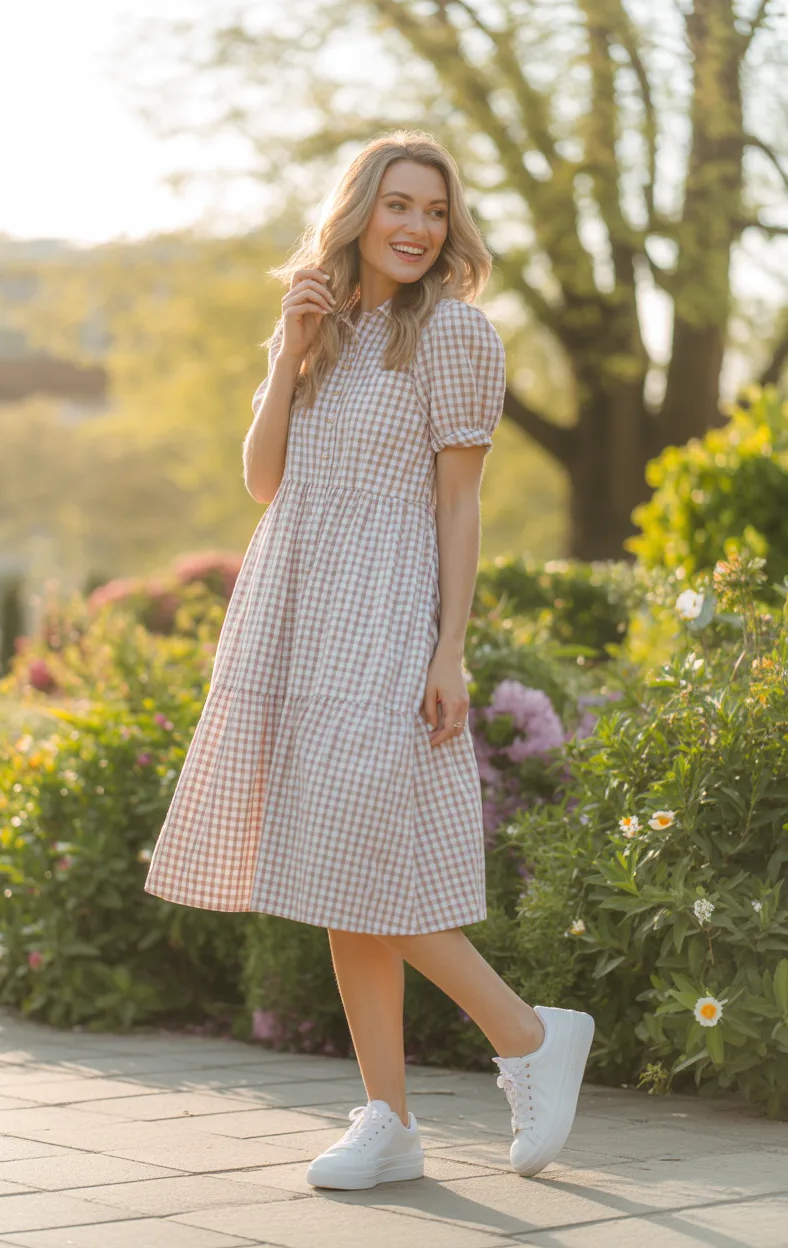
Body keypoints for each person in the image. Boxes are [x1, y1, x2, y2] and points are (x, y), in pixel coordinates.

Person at [144, 128, 594, 1192]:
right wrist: (281, 358)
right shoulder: (321, 328)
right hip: (296, 598)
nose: (416, 227)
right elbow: (264, 482)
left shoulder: (455, 333)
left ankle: (526, 1032)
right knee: (328, 857)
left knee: (354, 833)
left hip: (389, 602)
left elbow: (457, 501)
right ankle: (387, 1120)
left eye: (434, 211)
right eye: (398, 205)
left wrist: (450, 648)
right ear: (358, 212)